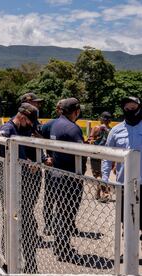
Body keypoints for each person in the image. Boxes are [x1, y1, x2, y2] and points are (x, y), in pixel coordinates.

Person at [0, 103, 41, 273]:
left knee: (18, 221)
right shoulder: (9, 128)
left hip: (22, 184)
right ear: (23, 117)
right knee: (18, 221)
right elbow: (2, 135)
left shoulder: (24, 128)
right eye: (29, 122)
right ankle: (15, 260)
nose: (30, 126)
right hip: (11, 185)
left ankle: (12, 259)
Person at [49, 97, 86, 262]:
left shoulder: (53, 124)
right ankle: (63, 249)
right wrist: (81, 174)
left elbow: (39, 134)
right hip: (71, 177)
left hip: (56, 176)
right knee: (68, 214)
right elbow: (82, 153)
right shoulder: (73, 128)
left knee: (60, 212)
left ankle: (59, 245)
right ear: (76, 111)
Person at [102, 96, 142, 231]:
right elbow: (107, 156)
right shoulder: (115, 131)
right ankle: (128, 251)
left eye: (133, 108)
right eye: (127, 108)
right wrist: (105, 178)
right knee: (127, 223)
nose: (130, 111)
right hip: (123, 185)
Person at [41, 99, 64, 236]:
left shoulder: (72, 125)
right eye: (61, 108)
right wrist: (45, 158)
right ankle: (49, 224)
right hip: (53, 165)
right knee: (50, 197)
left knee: (65, 198)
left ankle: (66, 224)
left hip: (68, 168)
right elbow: (38, 140)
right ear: (57, 110)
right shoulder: (49, 125)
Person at [88, 111, 112, 201]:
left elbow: (90, 139)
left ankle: (105, 192)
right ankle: (98, 193)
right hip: (107, 154)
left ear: (101, 118)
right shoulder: (111, 130)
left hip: (96, 153)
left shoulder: (96, 128)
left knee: (97, 174)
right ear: (110, 120)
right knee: (102, 174)